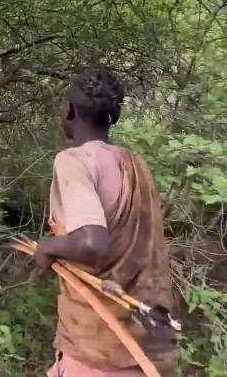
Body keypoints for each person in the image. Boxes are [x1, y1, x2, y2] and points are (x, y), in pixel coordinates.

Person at [33, 66, 179, 377]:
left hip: (96, 350)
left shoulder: (74, 161)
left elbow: (92, 242)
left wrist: (48, 247)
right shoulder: (136, 164)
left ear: (68, 110)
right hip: (148, 347)